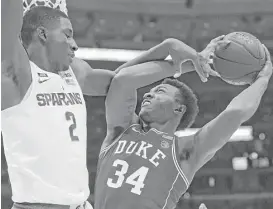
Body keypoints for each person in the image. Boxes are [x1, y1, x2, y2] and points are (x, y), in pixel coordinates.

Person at [1, 1, 213, 209]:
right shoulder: (16, 77)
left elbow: (122, 80)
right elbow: (7, 32)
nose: (75, 44)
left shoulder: (72, 73)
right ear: (43, 34)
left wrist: (176, 53)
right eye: (67, 35)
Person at [94, 39, 272, 209]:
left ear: (178, 109)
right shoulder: (123, 128)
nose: (148, 95)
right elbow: (122, 80)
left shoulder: (185, 151)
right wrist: (189, 64)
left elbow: (235, 113)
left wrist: (263, 79)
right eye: (149, 92)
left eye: (160, 92)